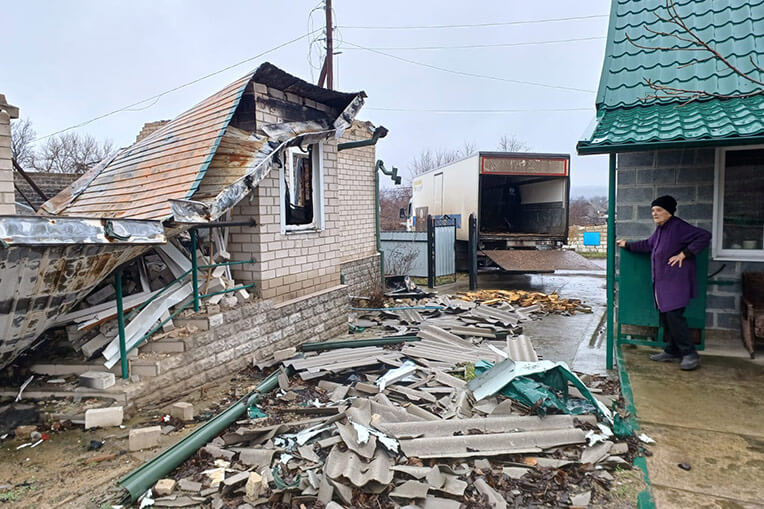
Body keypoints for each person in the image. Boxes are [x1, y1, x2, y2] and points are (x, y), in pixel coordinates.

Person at [616, 195, 711, 370]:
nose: (655, 213)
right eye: (653, 210)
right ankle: (673, 350)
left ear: (669, 212)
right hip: (664, 284)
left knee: (675, 317)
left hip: (676, 282)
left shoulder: (678, 227)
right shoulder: (661, 230)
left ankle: (690, 354)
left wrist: (685, 254)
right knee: (667, 318)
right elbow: (647, 245)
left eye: (659, 210)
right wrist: (627, 245)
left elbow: (704, 236)